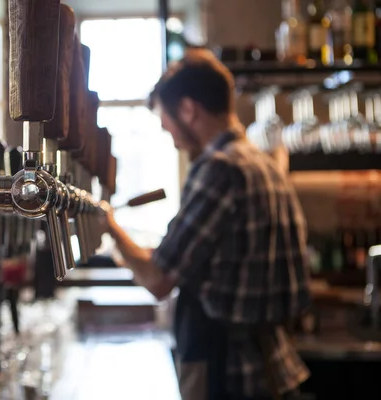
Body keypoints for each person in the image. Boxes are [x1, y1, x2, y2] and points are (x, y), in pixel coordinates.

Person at [101, 48, 311, 400]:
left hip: (232, 375)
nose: (172, 138)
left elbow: (158, 279)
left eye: (167, 124)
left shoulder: (219, 167)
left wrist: (108, 223)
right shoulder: (261, 163)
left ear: (188, 109)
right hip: (273, 364)